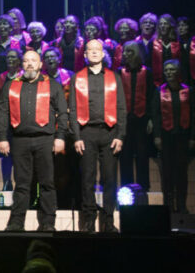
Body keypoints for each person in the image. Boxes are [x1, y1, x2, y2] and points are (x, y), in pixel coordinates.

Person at [0, 50, 69, 232]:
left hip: (45, 139)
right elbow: (2, 114)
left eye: (33, 61)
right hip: (20, 140)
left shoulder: (52, 85)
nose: (29, 64)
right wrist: (2, 138)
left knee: (47, 183)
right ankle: (16, 222)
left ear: (40, 64)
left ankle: (47, 222)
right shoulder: (11, 86)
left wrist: (60, 138)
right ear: (22, 64)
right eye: (26, 61)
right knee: (21, 184)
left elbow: (63, 114)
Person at [69, 39, 126, 233]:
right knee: (87, 179)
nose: (93, 52)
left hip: (110, 133)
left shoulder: (114, 77)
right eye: (89, 50)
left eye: (97, 50)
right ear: (84, 55)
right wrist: (76, 137)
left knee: (109, 179)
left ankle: (108, 221)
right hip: (86, 133)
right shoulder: (77, 78)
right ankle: (89, 220)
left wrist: (120, 135)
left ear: (103, 54)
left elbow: (121, 108)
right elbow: (73, 110)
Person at [151, 60, 193, 214]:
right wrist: (157, 136)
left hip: (182, 136)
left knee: (181, 173)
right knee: (167, 173)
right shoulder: (159, 91)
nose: (168, 73)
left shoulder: (188, 91)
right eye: (166, 70)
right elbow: (155, 115)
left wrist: (192, 138)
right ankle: (168, 206)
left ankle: (181, 205)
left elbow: (193, 115)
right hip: (165, 137)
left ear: (178, 71)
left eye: (171, 70)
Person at [119, 42, 153, 191]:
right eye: (125, 52)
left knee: (142, 154)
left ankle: (143, 188)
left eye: (129, 52)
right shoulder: (120, 72)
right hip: (124, 119)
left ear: (137, 54)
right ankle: (126, 187)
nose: (125, 54)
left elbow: (151, 96)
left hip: (142, 119)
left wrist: (151, 118)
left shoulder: (147, 73)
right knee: (125, 154)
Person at [0, 15, 22, 83]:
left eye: (5, 24)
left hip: (14, 79)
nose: (2, 27)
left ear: (10, 28)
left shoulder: (18, 43)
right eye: (0, 24)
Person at [150, 15, 181, 86]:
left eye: (165, 23)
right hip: (157, 82)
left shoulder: (178, 43)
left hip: (175, 81)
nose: (162, 26)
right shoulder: (153, 44)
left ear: (171, 26)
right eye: (161, 24)